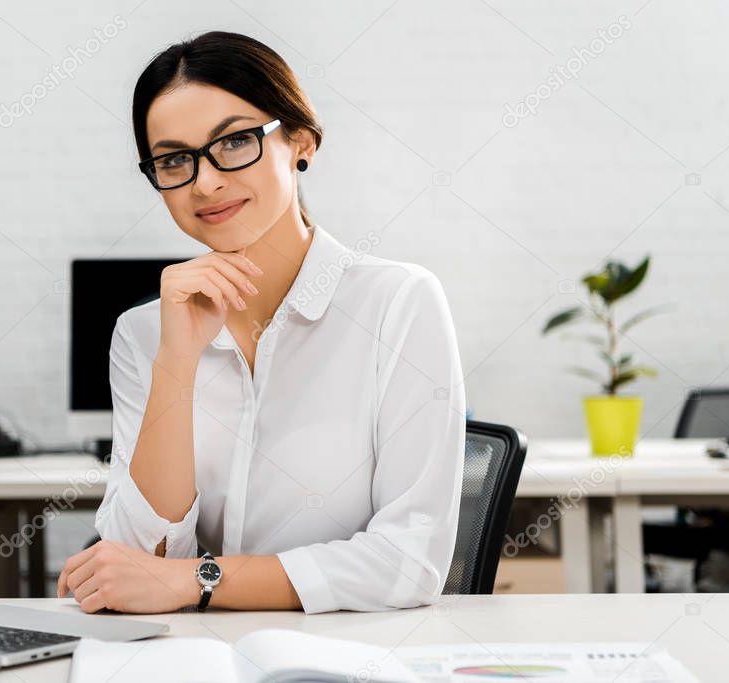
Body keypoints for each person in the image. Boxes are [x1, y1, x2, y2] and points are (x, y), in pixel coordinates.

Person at [57, 30, 466, 615]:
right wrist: (177, 362)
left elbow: (409, 562)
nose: (204, 181)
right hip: (197, 658)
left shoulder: (398, 303)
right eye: (174, 159)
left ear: (300, 141)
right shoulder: (144, 333)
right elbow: (136, 556)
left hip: (352, 655)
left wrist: (198, 580)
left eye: (234, 142)